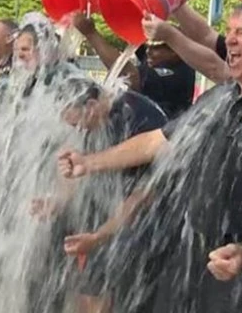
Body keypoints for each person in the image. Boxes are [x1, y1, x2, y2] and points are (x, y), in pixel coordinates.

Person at [58, 1, 242, 312]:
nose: (231, 40)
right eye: (230, 32)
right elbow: (158, 142)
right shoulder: (218, 98)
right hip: (195, 258)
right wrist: (89, 162)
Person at [31, 77, 167, 313]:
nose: (79, 131)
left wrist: (99, 236)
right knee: (89, 288)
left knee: (126, 298)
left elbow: (143, 196)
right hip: (113, 214)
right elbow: (84, 171)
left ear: (92, 106)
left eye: (79, 124)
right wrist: (58, 202)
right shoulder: (95, 121)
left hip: (151, 223)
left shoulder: (138, 120)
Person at [72, 13, 198, 119]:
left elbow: (129, 75)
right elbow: (133, 33)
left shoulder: (178, 72)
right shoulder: (157, 60)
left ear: (175, 50)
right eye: (148, 47)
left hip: (161, 135)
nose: (149, 52)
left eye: (156, 48)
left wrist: (91, 34)